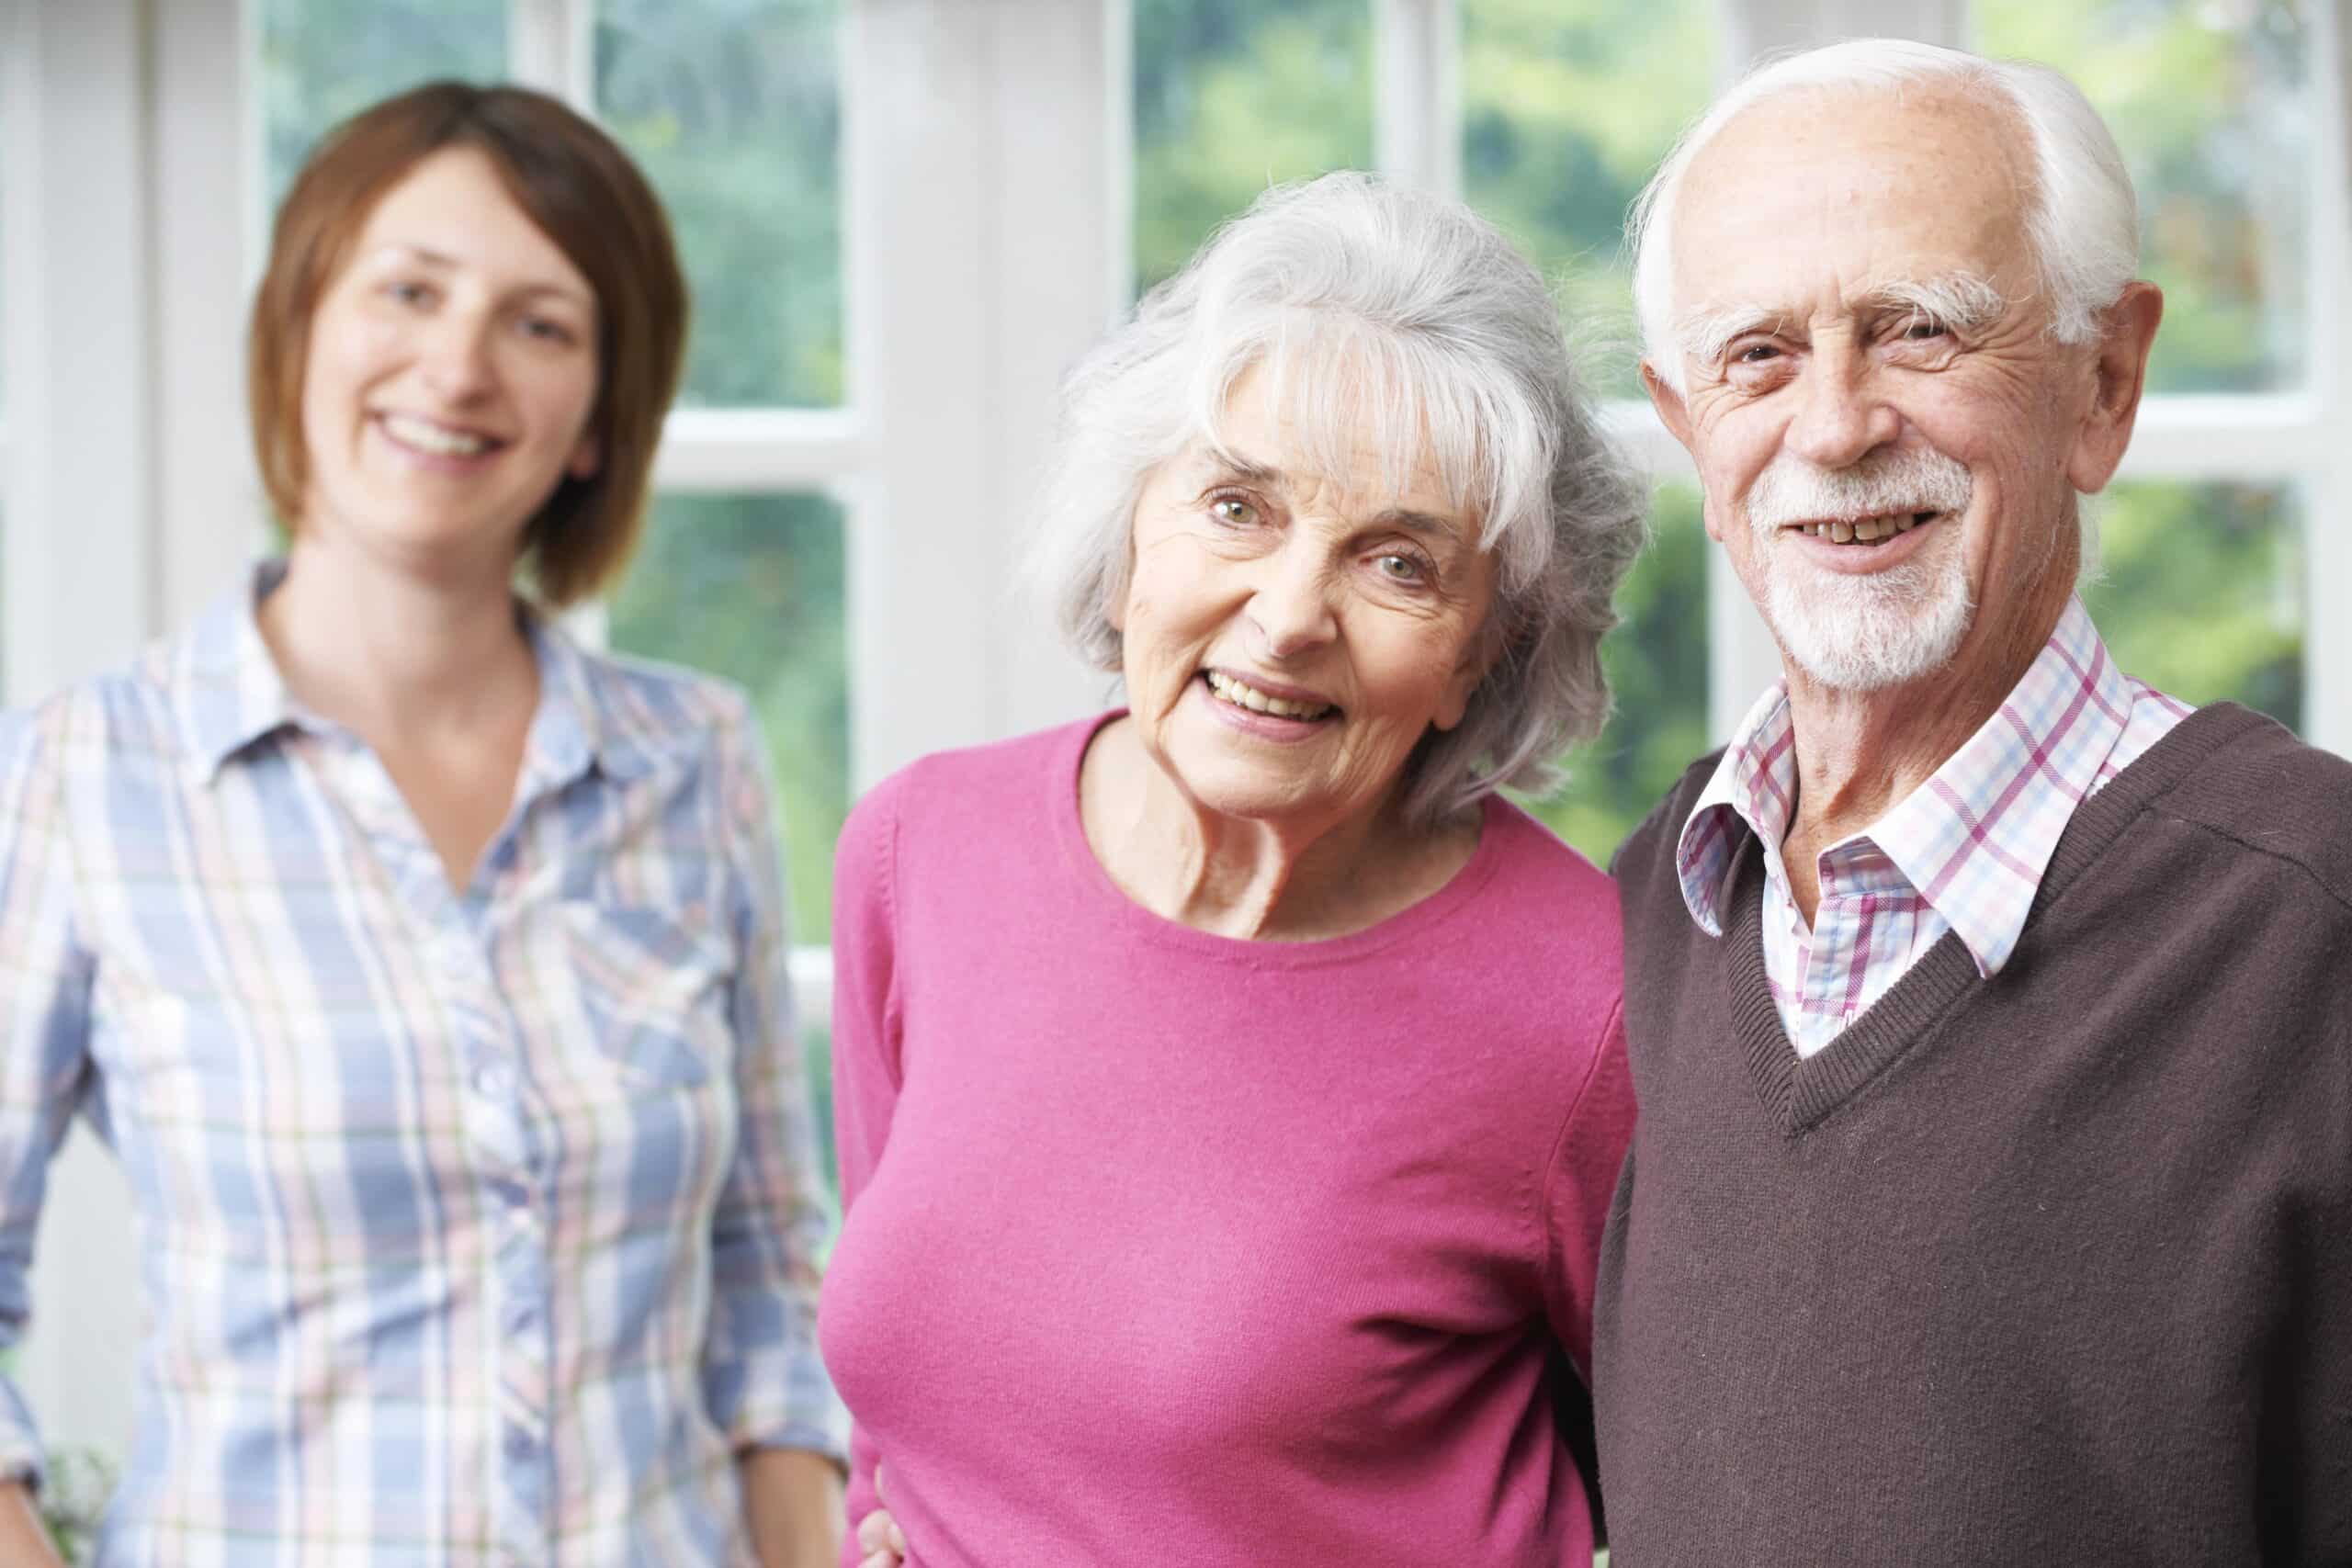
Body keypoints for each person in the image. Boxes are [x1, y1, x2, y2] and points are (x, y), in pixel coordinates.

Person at [0, 84, 846, 1565]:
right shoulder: (81, 775)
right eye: (408, 291)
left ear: (597, 417)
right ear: (304, 330)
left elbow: (769, 1275)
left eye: (541, 323)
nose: (457, 366)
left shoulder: (695, 759)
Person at [817, 171, 1645, 1568]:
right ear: (1135, 520)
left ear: (1482, 652)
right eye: (1237, 506)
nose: (1288, 616)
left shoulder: (1590, 1004)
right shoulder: (918, 851)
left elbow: (1697, 1484)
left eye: (1397, 563)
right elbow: (895, 1427)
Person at [1593, 38, 2352, 1563]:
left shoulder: (2313, 920)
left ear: (2106, 383)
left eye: (1919, 331)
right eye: (1756, 356)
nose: (1834, 426)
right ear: (1688, 428)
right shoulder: (1637, 921)